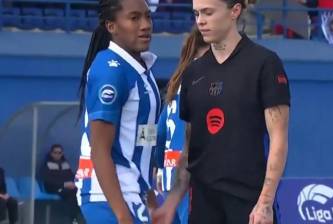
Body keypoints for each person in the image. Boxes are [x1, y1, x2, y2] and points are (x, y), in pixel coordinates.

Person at [153, 0, 290, 223]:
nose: (201, 21)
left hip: (249, 203)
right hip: (203, 205)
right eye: (197, 14)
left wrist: (265, 202)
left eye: (208, 12)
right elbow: (188, 149)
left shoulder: (265, 63)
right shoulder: (193, 73)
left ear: (235, 10)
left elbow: (279, 139)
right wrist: (171, 203)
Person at [75, 0, 160, 223]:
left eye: (147, 16)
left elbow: (145, 135)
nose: (145, 25)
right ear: (111, 26)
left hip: (136, 191)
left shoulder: (142, 69)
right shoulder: (109, 70)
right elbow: (100, 150)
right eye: (134, 18)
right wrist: (122, 215)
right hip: (107, 197)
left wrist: (150, 196)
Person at [155, 26, 209, 224]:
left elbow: (159, 133)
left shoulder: (175, 86)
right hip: (192, 178)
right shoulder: (205, 80)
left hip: (172, 178)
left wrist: (160, 166)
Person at [41, 144, 83, 223]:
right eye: (55, 152)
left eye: (59, 152)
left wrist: (73, 183)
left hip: (67, 187)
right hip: (53, 188)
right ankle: (71, 219)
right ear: (51, 153)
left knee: (77, 192)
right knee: (70, 193)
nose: (57, 154)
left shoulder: (65, 163)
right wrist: (63, 184)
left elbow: (71, 175)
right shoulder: (47, 164)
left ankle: (76, 217)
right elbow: (48, 180)